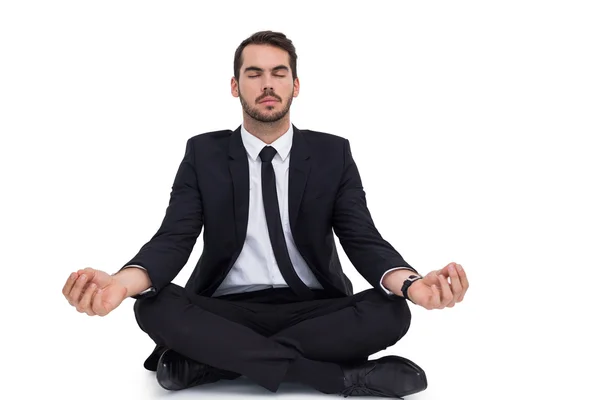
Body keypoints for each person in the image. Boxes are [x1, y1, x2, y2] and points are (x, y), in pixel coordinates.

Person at [62, 30, 469, 398]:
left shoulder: (333, 154)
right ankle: (338, 378)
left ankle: (211, 362)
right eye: (254, 73)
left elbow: (363, 239)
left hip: (314, 308)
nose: (268, 83)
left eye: (278, 72)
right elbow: (174, 238)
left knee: (392, 310)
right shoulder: (203, 153)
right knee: (152, 304)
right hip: (226, 309)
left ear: (296, 85)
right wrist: (118, 283)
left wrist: (412, 284)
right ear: (236, 86)